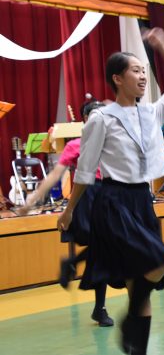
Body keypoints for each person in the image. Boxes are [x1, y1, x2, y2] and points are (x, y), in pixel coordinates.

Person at [57, 27, 164, 355]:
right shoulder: (101, 119)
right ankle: (129, 320)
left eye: (144, 71)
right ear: (117, 78)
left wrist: (163, 45)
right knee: (161, 261)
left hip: (142, 200)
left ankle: (136, 345)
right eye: (135, 71)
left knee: (139, 287)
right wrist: (69, 210)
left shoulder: (151, 112)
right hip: (114, 202)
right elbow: (85, 171)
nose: (143, 77)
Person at [18, 100, 113, 327]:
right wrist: (32, 199)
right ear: (86, 120)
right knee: (102, 248)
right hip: (86, 196)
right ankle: (99, 307)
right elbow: (55, 174)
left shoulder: (112, 143)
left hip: (109, 195)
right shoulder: (75, 145)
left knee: (104, 249)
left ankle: (73, 265)